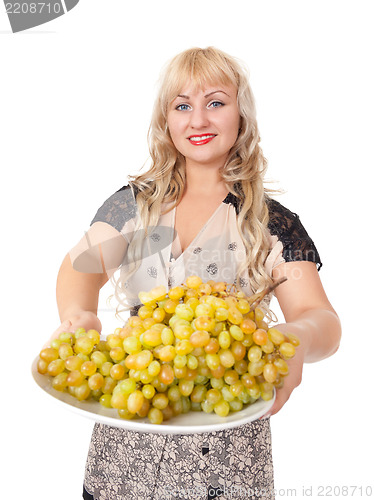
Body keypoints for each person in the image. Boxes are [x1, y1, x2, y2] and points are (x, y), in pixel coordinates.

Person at [51, 47, 341, 500]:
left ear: (241, 115)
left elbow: (320, 317)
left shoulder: (273, 222)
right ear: (166, 121)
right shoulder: (133, 203)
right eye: (182, 105)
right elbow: (79, 268)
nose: (198, 120)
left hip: (226, 464)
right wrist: (78, 313)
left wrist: (295, 339)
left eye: (216, 102)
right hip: (124, 457)